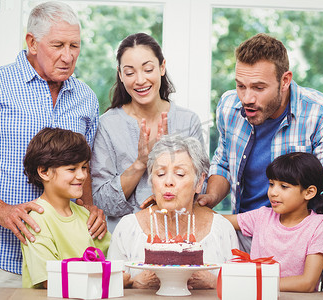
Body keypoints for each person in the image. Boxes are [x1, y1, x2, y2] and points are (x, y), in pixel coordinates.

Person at [0, 1, 106, 288]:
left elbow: (84, 168)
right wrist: (1, 210)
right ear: (32, 42)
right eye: (58, 45)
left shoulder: (86, 98)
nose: (68, 56)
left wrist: (89, 209)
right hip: (0, 257)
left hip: (64, 262)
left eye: (74, 46)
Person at [196, 33, 323, 295]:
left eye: (258, 87)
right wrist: (210, 196)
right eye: (241, 86)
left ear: (285, 80)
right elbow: (223, 165)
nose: (246, 98)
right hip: (241, 236)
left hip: (292, 249)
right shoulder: (228, 107)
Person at [91, 33, 204, 232]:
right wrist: (141, 163)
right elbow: (101, 201)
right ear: (120, 74)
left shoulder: (188, 121)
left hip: (178, 238)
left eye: (148, 69)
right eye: (130, 72)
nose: (140, 80)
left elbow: (199, 187)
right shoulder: (108, 125)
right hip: (123, 242)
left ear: (162, 67)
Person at [108, 135, 238, 289]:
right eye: (160, 174)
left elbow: (239, 287)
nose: (168, 182)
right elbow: (109, 286)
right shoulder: (128, 228)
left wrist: (215, 283)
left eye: (180, 174)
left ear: (200, 182)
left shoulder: (222, 230)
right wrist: (133, 283)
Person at [224, 152, 323, 292]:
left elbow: (307, 283)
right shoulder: (262, 216)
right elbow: (218, 220)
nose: (273, 192)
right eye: (271, 184)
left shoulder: (320, 225)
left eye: (284, 186)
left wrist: (254, 284)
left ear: (309, 192)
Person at [21, 128, 111, 288]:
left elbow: (113, 258)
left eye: (84, 167)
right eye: (72, 169)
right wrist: (111, 281)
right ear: (44, 171)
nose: (82, 175)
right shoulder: (37, 219)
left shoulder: (86, 215)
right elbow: (49, 281)